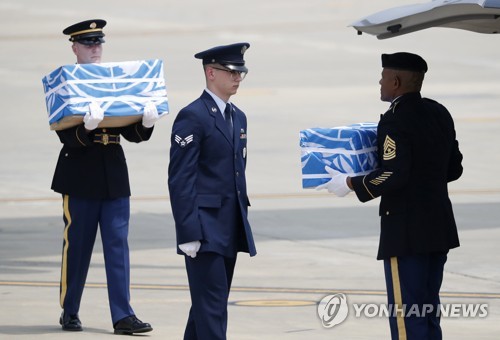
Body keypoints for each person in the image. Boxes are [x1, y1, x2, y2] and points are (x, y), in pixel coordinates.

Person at [317, 52, 463, 339]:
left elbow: (394, 174)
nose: (380, 82)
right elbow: (454, 168)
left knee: (407, 316)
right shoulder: (438, 112)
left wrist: (350, 183)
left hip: (407, 232)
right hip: (438, 227)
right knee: (428, 312)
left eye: (383, 77)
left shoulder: (396, 120)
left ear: (396, 82)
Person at [52, 19, 158, 334]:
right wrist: (85, 127)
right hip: (79, 174)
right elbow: (63, 134)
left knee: (117, 246)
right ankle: (69, 310)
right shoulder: (65, 82)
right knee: (78, 246)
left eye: (98, 43)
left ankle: (123, 315)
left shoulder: (114, 80)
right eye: (88, 43)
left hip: (113, 173)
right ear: (75, 47)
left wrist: (147, 122)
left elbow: (131, 131)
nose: (95, 48)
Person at [168, 42, 257, 340]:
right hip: (204, 231)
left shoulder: (238, 117)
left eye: (240, 72)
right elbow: (181, 179)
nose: (237, 78)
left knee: (206, 308)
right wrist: (188, 232)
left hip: (229, 227)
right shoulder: (193, 116)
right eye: (231, 72)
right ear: (210, 73)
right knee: (212, 310)